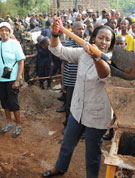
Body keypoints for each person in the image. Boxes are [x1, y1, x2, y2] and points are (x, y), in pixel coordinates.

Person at [42, 19, 115, 178]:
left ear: (111, 43)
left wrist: (96, 57)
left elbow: (104, 75)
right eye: (100, 38)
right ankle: (60, 168)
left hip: (97, 115)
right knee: (67, 144)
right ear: (93, 38)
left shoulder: (111, 59)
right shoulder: (83, 53)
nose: (103, 42)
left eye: (107, 39)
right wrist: (56, 34)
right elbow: (58, 50)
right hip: (77, 109)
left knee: (92, 153)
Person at [0, 22, 25, 138]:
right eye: (1, 30)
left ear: (10, 32)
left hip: (12, 79)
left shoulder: (14, 44)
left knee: (13, 103)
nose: (4, 32)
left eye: (6, 30)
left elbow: (21, 62)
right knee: (4, 103)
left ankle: (18, 125)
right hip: (1, 80)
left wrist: (17, 80)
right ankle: (9, 123)